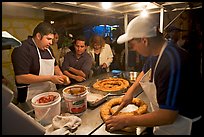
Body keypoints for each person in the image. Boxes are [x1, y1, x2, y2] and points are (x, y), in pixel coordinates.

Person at [105, 15, 202, 135]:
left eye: (132, 44)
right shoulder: (156, 53)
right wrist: (131, 91)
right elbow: (145, 71)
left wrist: (126, 120)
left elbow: (168, 116)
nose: (133, 49)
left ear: (144, 40)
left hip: (183, 126)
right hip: (165, 124)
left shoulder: (171, 62)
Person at [11, 22, 70, 103]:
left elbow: (55, 66)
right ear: (38, 36)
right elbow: (21, 78)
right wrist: (50, 78)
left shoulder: (48, 49)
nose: (51, 43)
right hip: (29, 98)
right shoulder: (22, 49)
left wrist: (62, 76)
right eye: (48, 39)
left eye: (52, 40)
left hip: (48, 93)